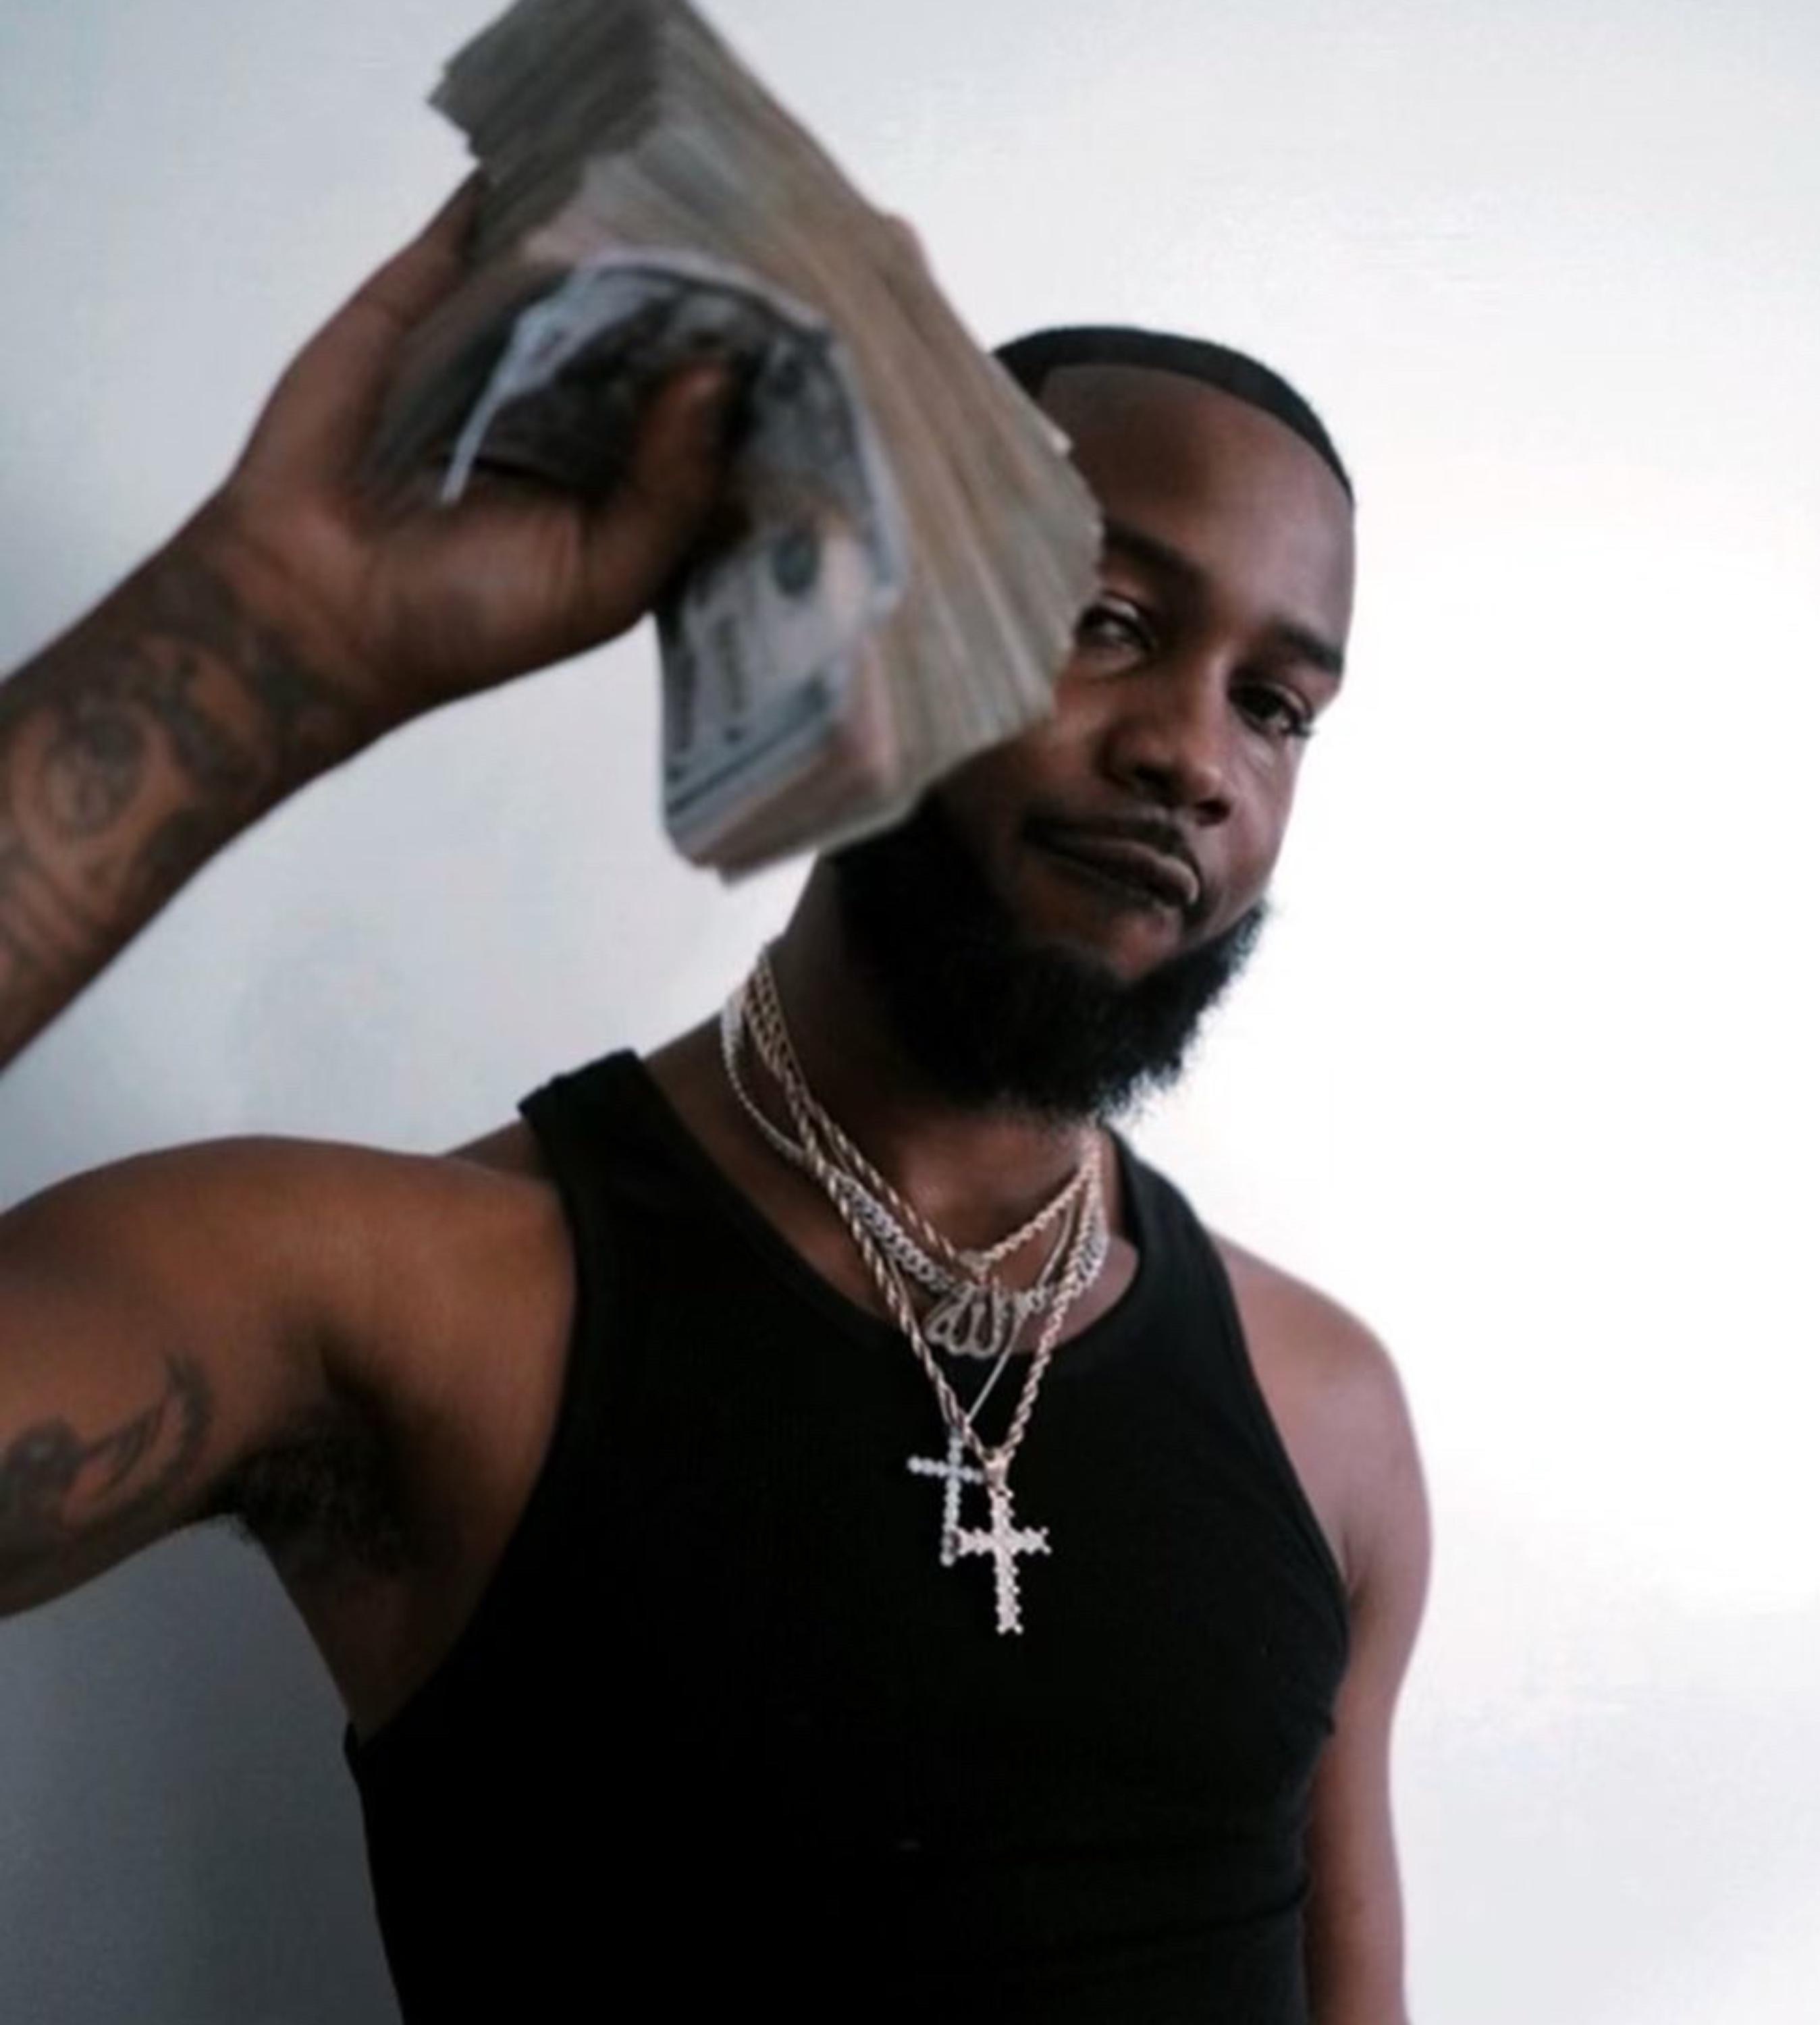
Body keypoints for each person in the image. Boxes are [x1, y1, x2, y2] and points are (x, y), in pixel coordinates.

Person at [0, 184, 1429, 2024]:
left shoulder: (1332, 1424)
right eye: (1103, 615)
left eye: (1278, 705)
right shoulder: (414, 1300)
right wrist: (272, 632)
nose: (1194, 757)